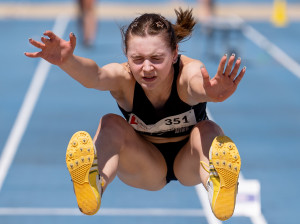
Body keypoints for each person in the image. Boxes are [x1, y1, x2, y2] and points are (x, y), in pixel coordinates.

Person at [25, 8, 245, 221]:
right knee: (110, 123)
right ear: (126, 55)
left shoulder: (188, 73)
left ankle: (217, 188)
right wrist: (67, 61)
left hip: (189, 162)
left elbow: (198, 85)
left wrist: (212, 93)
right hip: (146, 163)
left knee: (209, 130)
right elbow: (96, 76)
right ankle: (94, 185)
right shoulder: (124, 79)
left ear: (175, 53)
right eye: (137, 59)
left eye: (157, 59)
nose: (147, 68)